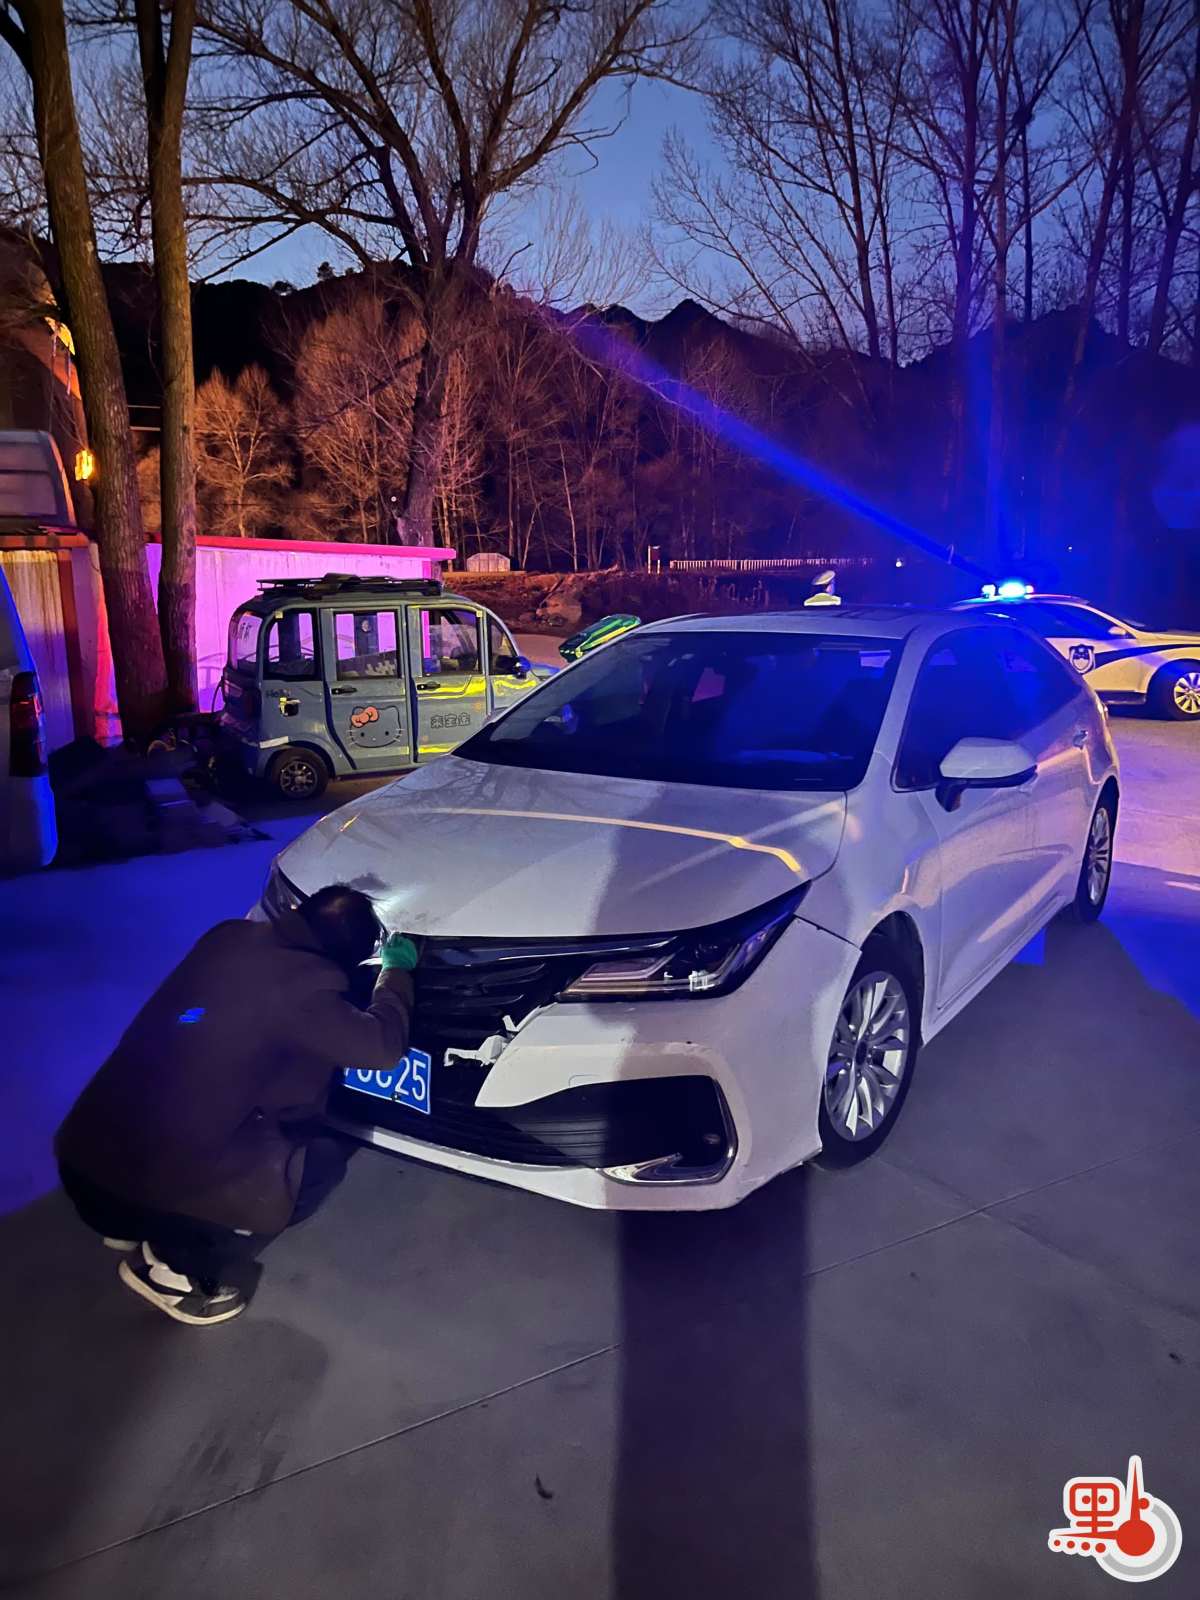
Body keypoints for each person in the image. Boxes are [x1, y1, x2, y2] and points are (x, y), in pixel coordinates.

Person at [55, 885, 418, 1327]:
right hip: (130, 1186)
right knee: (317, 1166)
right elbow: (381, 1047)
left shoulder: (229, 936)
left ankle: (128, 1225)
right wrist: (394, 973)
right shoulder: (303, 991)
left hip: (83, 1160)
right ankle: (171, 1270)